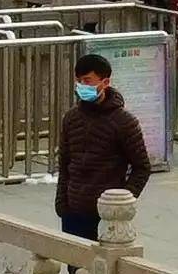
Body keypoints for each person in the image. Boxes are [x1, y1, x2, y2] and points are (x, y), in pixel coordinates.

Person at [55, 51, 150, 243]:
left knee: (102, 269)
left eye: (88, 80)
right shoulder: (71, 118)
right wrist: (62, 203)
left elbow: (142, 167)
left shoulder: (124, 122)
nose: (82, 86)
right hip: (73, 211)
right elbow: (65, 163)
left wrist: (120, 202)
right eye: (79, 81)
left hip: (106, 214)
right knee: (76, 269)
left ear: (105, 82)